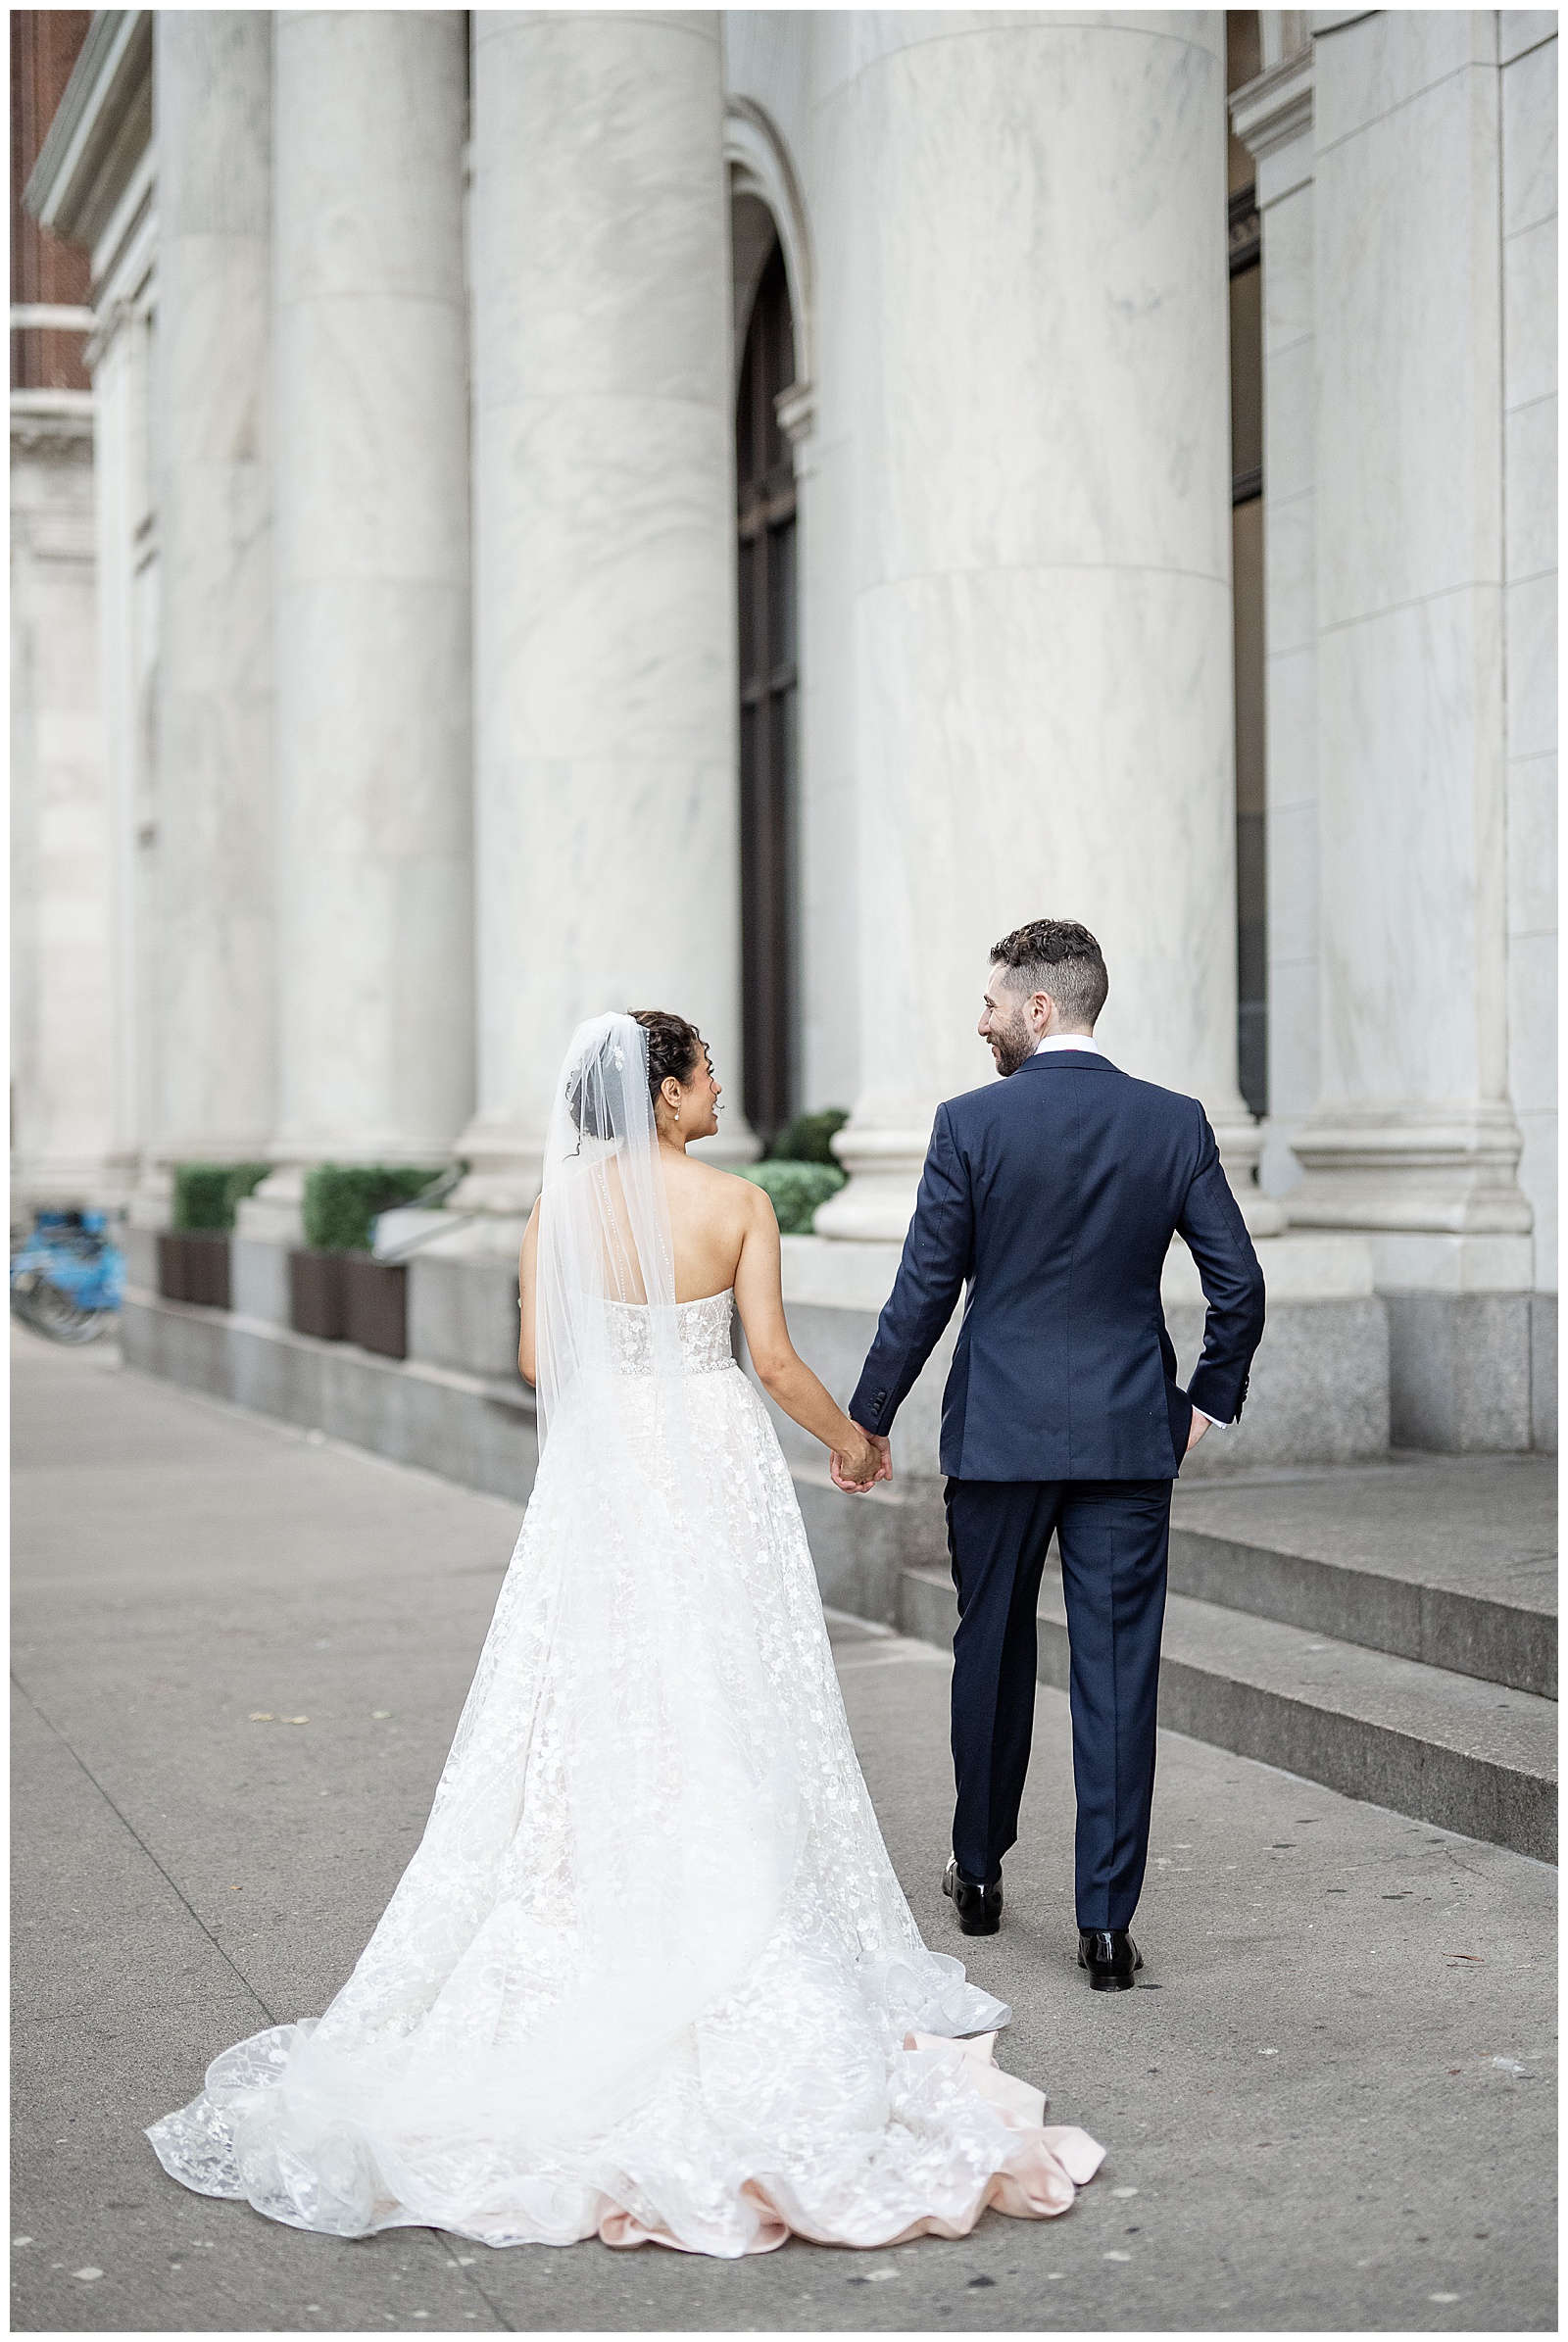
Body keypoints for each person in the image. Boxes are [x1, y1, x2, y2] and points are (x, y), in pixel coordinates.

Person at [147, 1009, 1102, 2255]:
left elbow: (544, 1360)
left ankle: (606, 1883)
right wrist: (851, 1438)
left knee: (597, 1681)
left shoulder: (561, 1205)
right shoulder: (737, 1203)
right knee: (726, 1675)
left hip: (607, 1465)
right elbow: (768, 1355)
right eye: (706, 1072)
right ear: (663, 1093)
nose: (720, 1091)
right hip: (707, 1457)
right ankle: (722, 1884)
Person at [840, 922, 1266, 1992]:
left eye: (990, 1002)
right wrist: (1203, 1398)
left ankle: (977, 1874)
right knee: (1118, 1675)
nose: (977, 1020)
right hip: (1129, 1433)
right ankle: (1106, 1928)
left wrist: (869, 1415)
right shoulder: (1170, 1122)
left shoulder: (970, 1124)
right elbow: (1239, 1285)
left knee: (989, 1653)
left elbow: (923, 1291)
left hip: (999, 1436)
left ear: (1038, 1007)